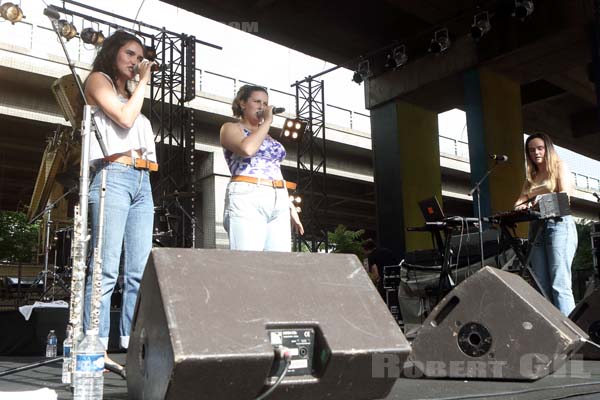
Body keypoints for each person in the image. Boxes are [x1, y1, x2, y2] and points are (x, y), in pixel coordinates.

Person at [83, 31, 157, 357]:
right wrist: (144, 80)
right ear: (112, 52)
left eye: (139, 58)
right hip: (113, 175)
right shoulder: (98, 80)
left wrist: (137, 85)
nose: (135, 62)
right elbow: (124, 120)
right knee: (106, 268)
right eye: (130, 54)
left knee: (139, 272)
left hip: (143, 181)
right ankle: (93, 348)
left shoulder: (131, 93)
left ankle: (131, 344)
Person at [220, 84, 303, 251]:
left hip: (278, 197)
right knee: (248, 264)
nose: (262, 107)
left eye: (265, 104)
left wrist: (289, 205)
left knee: (277, 266)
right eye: (257, 102)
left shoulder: (268, 136)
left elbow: (274, 169)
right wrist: (268, 122)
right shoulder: (230, 128)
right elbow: (247, 149)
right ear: (242, 103)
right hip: (248, 193)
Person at [514, 133, 577, 316]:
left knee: (559, 284)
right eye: (531, 150)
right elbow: (516, 205)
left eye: (540, 148)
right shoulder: (531, 177)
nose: (536, 153)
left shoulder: (559, 167)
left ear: (547, 149)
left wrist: (537, 201)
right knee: (540, 284)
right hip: (537, 229)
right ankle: (553, 333)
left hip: (559, 226)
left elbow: (564, 200)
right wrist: (527, 203)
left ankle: (572, 335)